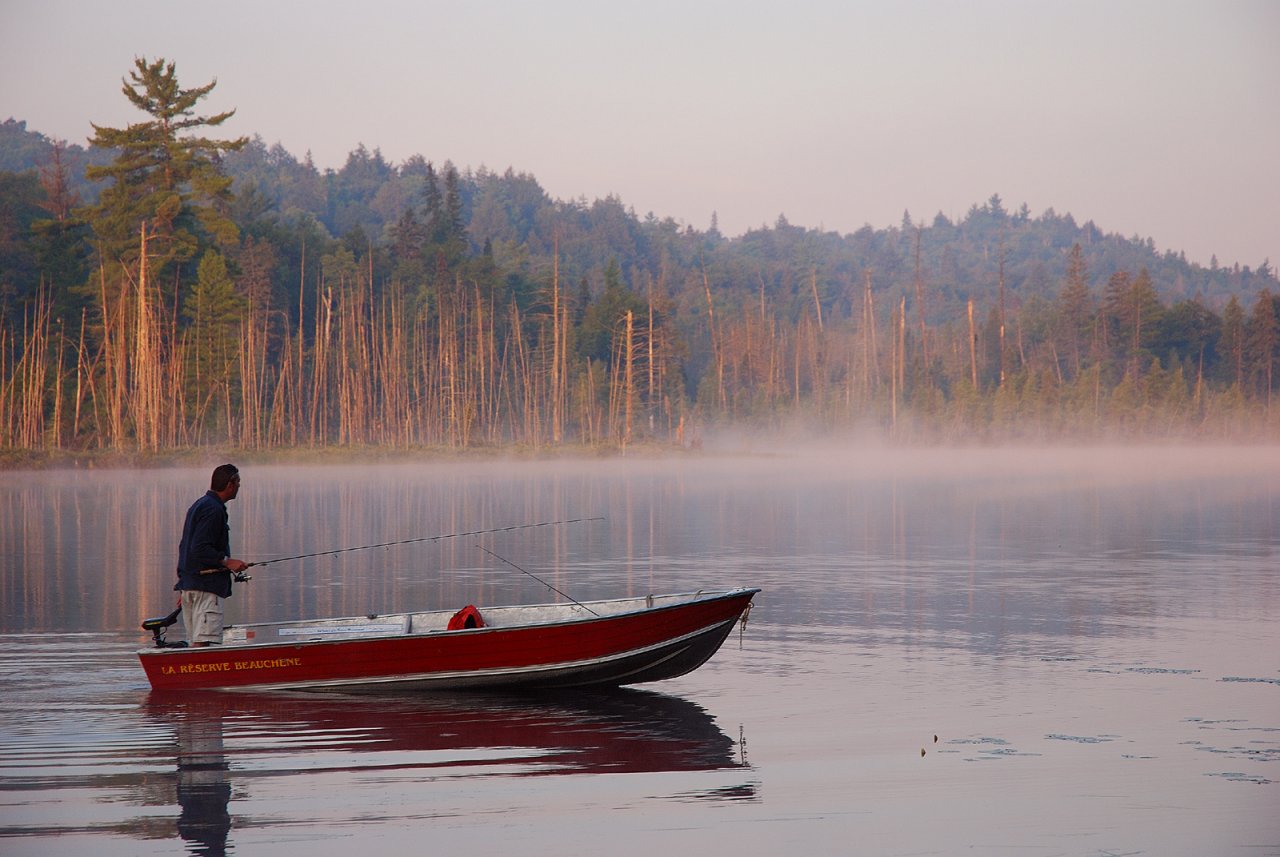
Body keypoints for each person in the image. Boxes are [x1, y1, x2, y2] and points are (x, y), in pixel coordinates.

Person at [175, 464, 249, 646]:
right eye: (238, 482)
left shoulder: (200, 505)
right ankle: (199, 675)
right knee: (202, 643)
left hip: (192, 586)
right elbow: (199, 548)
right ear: (230, 484)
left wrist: (187, 584)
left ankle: (192, 674)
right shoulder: (213, 510)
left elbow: (186, 547)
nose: (239, 486)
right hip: (206, 589)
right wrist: (227, 562)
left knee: (196, 643)